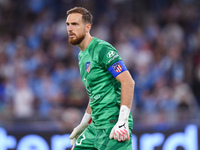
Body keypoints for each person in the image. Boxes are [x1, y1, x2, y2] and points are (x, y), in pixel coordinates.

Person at [66, 7, 135, 150]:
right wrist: (84, 123)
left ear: (87, 27)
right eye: (68, 24)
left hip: (112, 124)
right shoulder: (81, 56)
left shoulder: (103, 49)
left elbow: (128, 82)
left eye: (75, 24)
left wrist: (122, 121)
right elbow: (95, 93)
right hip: (95, 126)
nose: (70, 28)